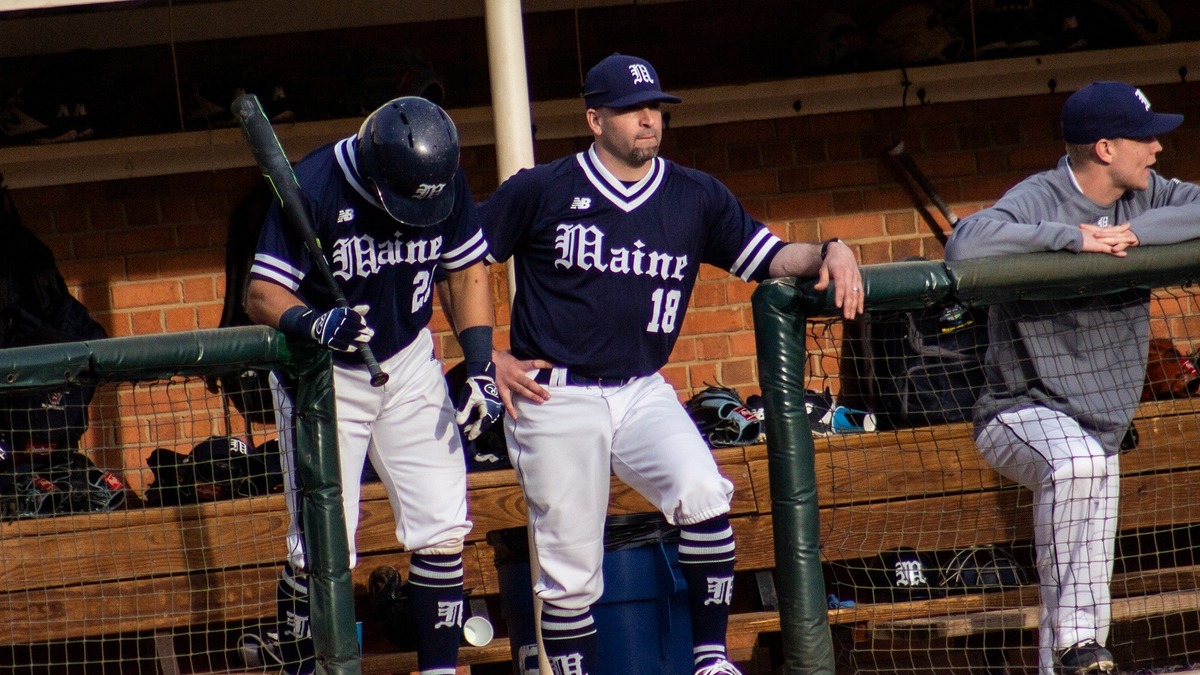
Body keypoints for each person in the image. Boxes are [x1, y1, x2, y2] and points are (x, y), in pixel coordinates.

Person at [478, 53, 863, 675]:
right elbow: (458, 256)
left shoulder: (694, 194)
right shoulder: (542, 187)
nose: (648, 119)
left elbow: (766, 255)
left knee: (704, 493)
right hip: (556, 394)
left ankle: (710, 658)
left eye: (655, 106)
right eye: (632, 109)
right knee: (571, 572)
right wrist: (484, 355)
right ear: (595, 119)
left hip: (640, 389)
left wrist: (832, 248)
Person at [945, 81, 1200, 675]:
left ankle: (1069, 659)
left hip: (1101, 423)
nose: (1158, 148)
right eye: (1145, 137)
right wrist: (1072, 240)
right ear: (1106, 148)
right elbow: (966, 244)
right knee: (1079, 464)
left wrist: (1138, 235)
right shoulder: (1041, 195)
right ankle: (1074, 644)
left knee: (1090, 484)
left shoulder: (1149, 197)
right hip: (1017, 412)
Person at [242, 96, 503, 675]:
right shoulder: (315, 184)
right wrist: (314, 321)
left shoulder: (442, 181)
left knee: (442, 522)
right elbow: (261, 293)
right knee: (324, 544)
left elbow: (465, 270)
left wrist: (480, 364)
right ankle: (309, 666)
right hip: (323, 373)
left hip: (407, 358)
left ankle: (439, 670)